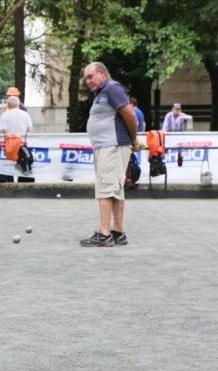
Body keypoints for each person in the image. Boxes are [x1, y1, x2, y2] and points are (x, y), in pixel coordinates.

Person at [80, 61, 138, 247]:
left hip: (111, 147)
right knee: (115, 190)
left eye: (91, 76)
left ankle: (104, 234)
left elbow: (130, 115)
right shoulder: (102, 92)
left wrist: (133, 139)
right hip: (108, 147)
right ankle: (118, 233)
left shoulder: (112, 88)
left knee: (105, 189)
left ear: (103, 74)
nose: (87, 81)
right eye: (85, 78)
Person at [0, 96, 34, 183]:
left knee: (7, 166)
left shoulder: (4, 115)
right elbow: (30, 130)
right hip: (22, 145)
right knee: (24, 163)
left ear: (8, 105)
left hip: (9, 145)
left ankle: (9, 183)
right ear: (18, 104)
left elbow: (3, 131)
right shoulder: (25, 114)